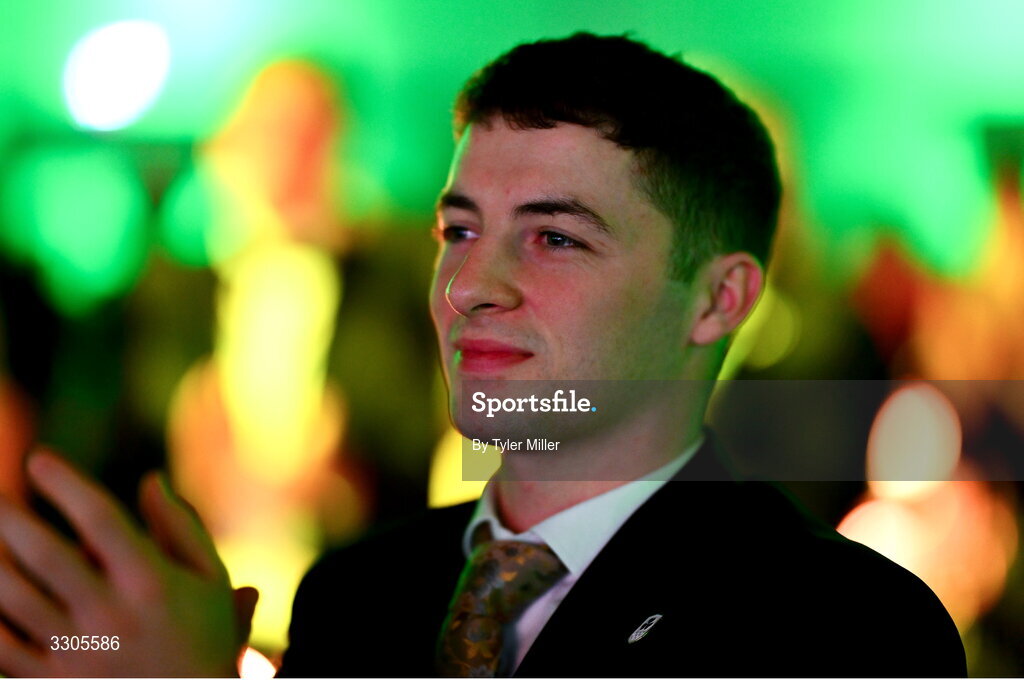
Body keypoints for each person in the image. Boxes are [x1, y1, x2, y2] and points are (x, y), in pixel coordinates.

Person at [0, 33, 966, 678]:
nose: (470, 287)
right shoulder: (355, 597)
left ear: (719, 299)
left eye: (553, 239)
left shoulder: (841, 628)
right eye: (459, 232)